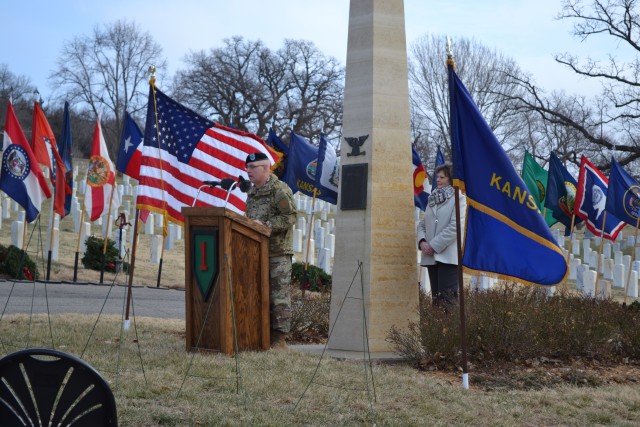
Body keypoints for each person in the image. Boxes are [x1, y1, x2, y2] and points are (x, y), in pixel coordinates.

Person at [244, 152, 297, 348]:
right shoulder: (252, 193)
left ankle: (279, 339)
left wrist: (264, 225)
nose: (248, 171)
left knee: (278, 297)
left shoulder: (279, 190)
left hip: (277, 252)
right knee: (258, 294)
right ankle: (259, 334)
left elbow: (289, 217)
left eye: (252, 167)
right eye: (247, 168)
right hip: (255, 252)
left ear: (265, 168)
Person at [416, 162, 466, 307]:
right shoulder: (432, 199)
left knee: (447, 302)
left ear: (450, 178)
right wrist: (423, 242)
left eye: (442, 177)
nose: (437, 180)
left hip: (448, 258)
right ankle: (437, 330)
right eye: (437, 177)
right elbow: (422, 224)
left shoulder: (459, 199)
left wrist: (433, 246)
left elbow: (455, 227)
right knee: (436, 301)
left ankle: (448, 330)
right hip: (431, 257)